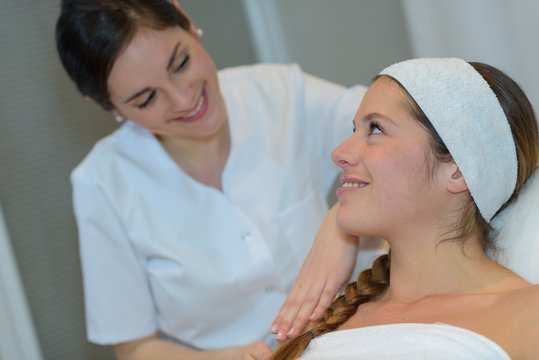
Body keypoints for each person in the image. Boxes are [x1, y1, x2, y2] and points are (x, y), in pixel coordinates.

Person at [55, 1, 384, 359]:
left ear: (186, 20)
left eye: (180, 63)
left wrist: (339, 224)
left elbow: (411, 135)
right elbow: (135, 346)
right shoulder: (102, 184)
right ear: (109, 106)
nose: (183, 99)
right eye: (147, 99)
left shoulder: (278, 93)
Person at [271, 58, 539, 359]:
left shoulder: (527, 317)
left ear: (459, 170)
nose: (340, 153)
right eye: (354, 128)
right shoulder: (324, 323)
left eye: (375, 129)